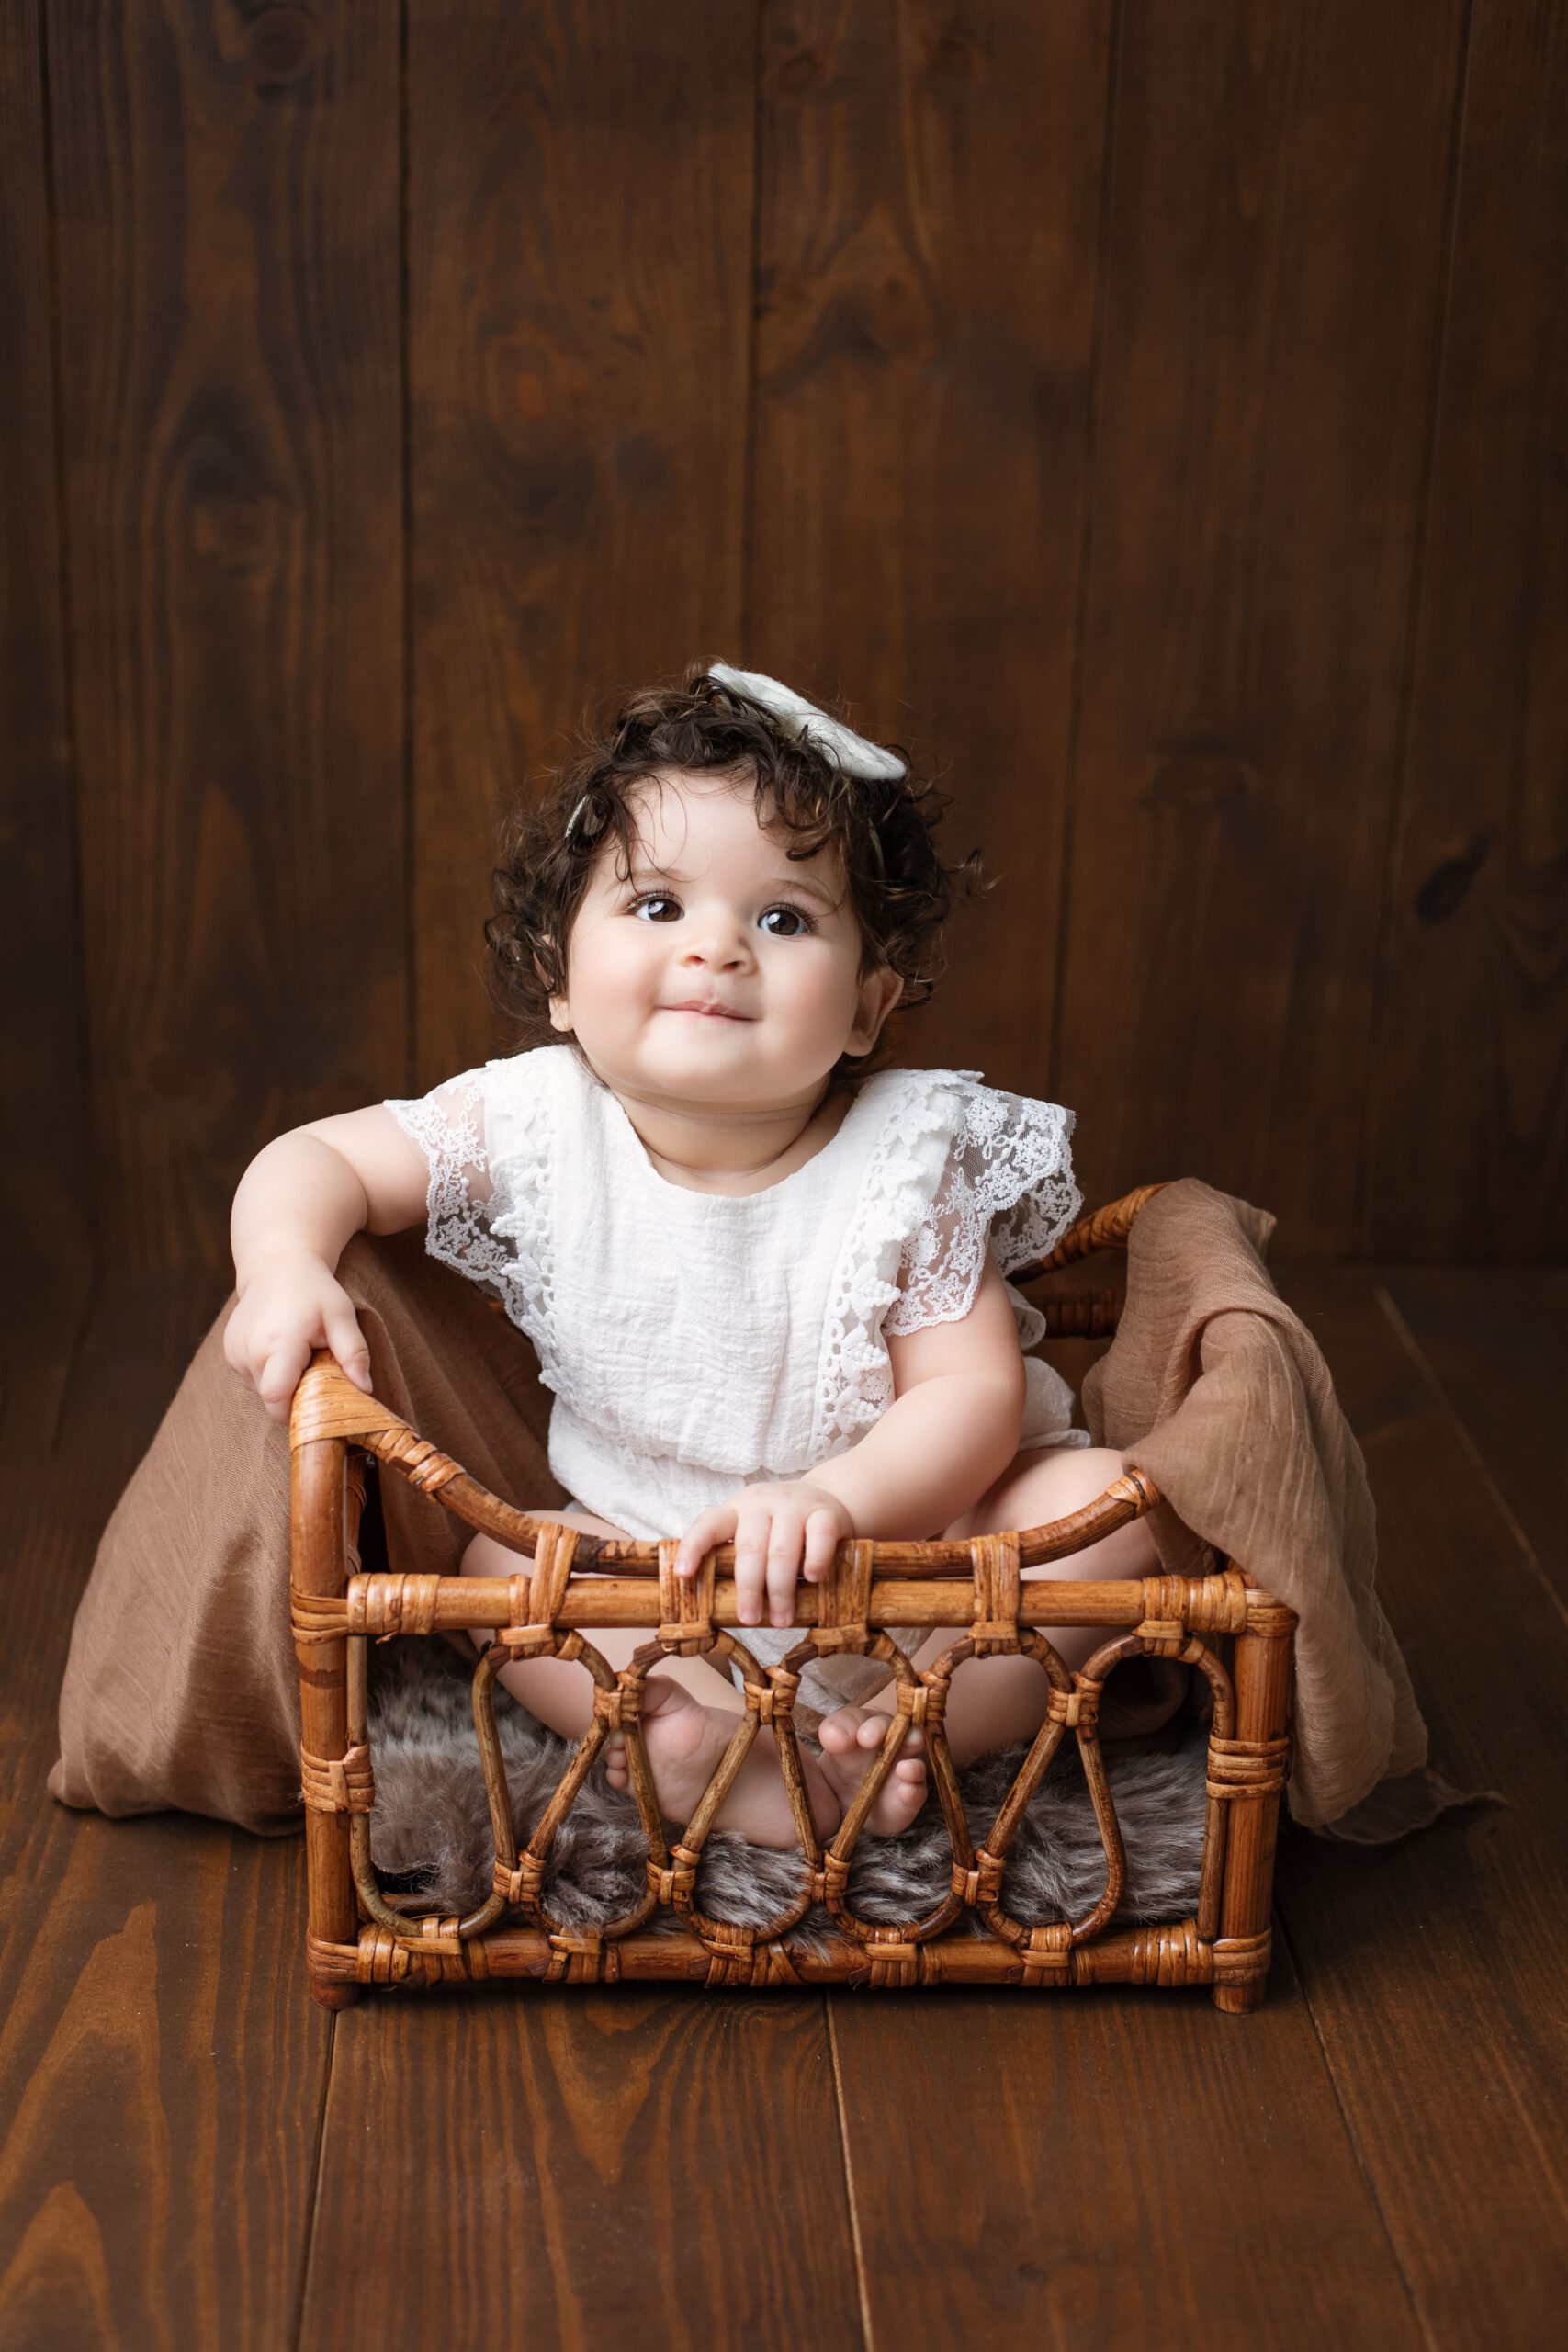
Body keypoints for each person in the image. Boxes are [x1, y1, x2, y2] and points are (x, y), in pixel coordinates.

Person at [224, 659, 1159, 1849]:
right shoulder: (535, 1125)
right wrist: (284, 1266)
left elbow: (971, 1395)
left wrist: (841, 1501)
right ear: (561, 976)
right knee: (497, 1567)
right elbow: (319, 1161)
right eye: (658, 905)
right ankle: (705, 1737)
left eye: (781, 917)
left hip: (917, 1554)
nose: (717, 949)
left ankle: (919, 1720)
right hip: (643, 1556)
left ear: (869, 1007)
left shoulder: (903, 1159)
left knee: (1110, 1507)